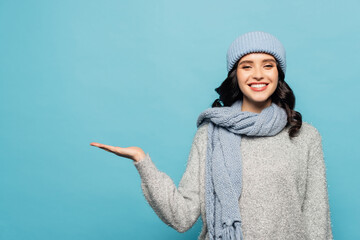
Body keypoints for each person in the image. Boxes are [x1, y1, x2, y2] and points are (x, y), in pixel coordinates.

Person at [90, 31, 333, 240]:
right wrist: (142, 162)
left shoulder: (304, 136)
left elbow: (316, 221)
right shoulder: (211, 133)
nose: (258, 74)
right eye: (246, 66)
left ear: (278, 74)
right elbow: (182, 216)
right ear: (235, 75)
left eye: (268, 65)